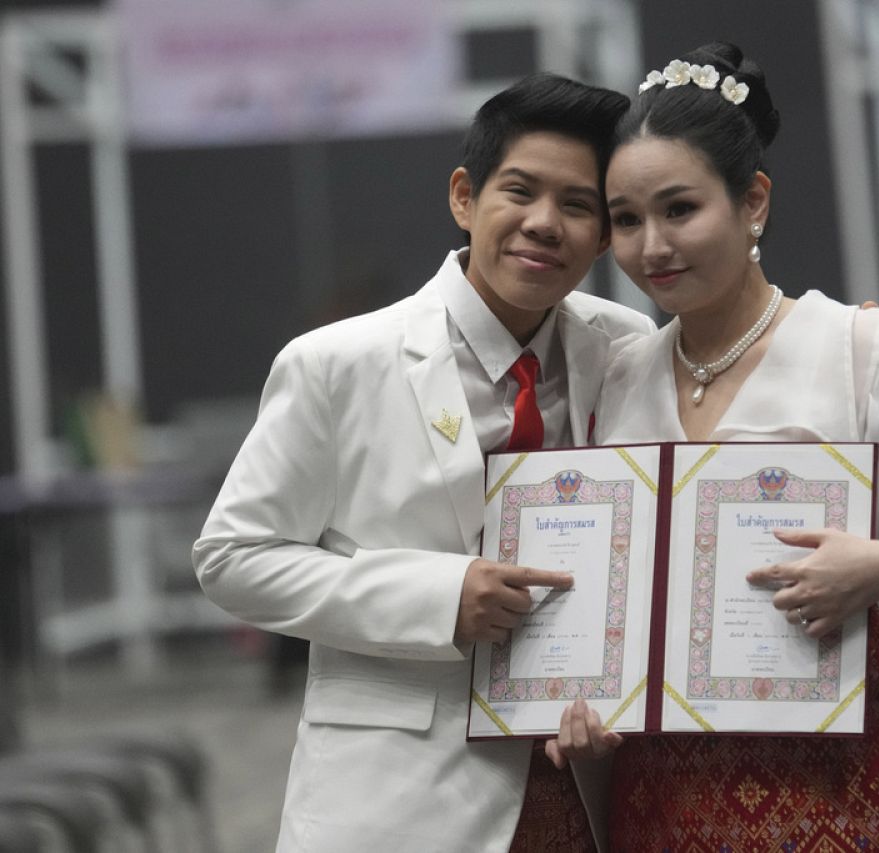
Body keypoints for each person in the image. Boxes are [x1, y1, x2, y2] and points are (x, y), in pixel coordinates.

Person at [551, 43, 879, 851]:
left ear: (754, 202)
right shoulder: (617, 373)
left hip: (842, 786)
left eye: (680, 209)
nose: (652, 246)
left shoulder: (859, 346)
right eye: (627, 219)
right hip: (663, 797)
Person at [193, 74, 656, 852]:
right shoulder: (337, 363)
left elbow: (735, 387)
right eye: (521, 191)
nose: (545, 224)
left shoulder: (625, 345)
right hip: (397, 800)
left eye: (577, 205)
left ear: (605, 234)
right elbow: (231, 558)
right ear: (464, 198)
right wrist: (440, 597)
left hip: (583, 777)